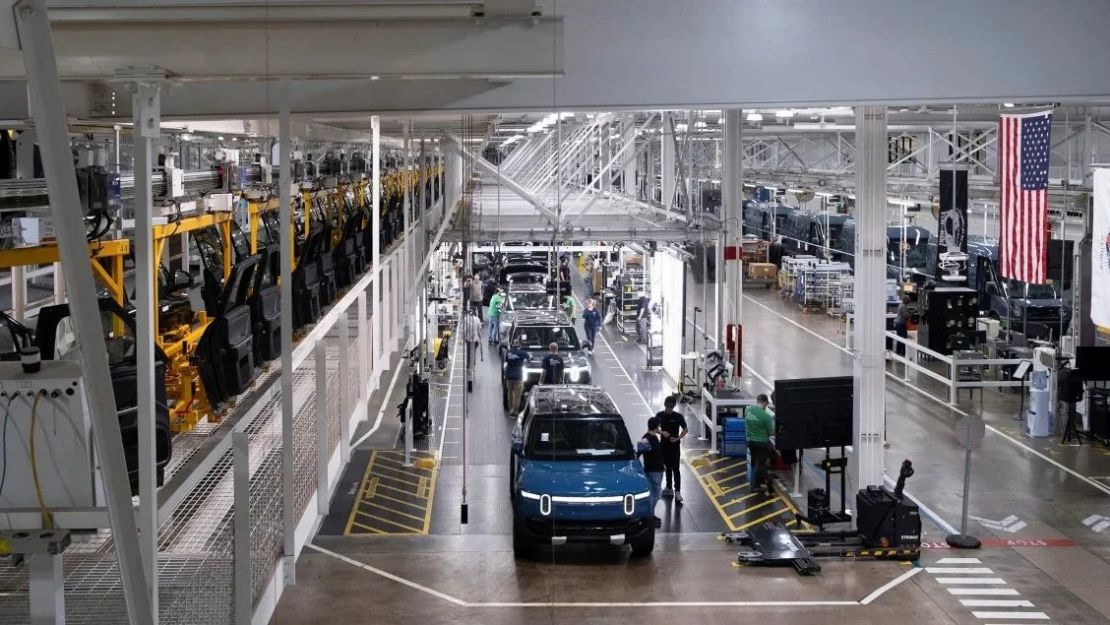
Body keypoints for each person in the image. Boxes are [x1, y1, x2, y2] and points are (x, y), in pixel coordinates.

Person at [656, 395, 687, 503]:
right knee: (667, 467)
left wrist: (678, 438)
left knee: (676, 469)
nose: (669, 408)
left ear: (673, 406)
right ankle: (669, 488)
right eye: (667, 406)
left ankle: (677, 491)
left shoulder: (678, 417)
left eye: (671, 406)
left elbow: (685, 429)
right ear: (664, 405)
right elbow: (654, 428)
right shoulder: (660, 415)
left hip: (674, 446)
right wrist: (662, 432)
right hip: (663, 446)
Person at [745, 394, 776, 496]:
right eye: (766, 404)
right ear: (765, 402)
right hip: (762, 443)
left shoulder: (748, 410)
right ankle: (758, 484)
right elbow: (771, 432)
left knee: (756, 462)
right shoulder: (766, 416)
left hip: (750, 442)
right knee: (761, 464)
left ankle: (761, 480)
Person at [636, 417, 665, 527]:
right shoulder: (647, 439)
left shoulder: (651, 437)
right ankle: (648, 516)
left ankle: (650, 515)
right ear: (657, 426)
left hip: (657, 469)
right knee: (656, 494)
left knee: (654, 493)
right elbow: (638, 454)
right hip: (653, 470)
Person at [503, 339, 532, 416]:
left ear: (513, 345)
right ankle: (514, 411)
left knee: (510, 394)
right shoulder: (522, 353)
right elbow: (530, 358)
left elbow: (506, 360)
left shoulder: (508, 352)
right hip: (518, 376)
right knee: (517, 395)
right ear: (520, 345)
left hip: (509, 376)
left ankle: (510, 409)